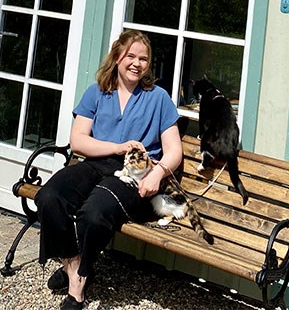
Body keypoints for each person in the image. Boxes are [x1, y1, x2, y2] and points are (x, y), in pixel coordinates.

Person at [35, 29, 182, 310]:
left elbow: (174, 150)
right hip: (96, 163)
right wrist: (117, 146)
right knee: (49, 196)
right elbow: (78, 141)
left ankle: (78, 285)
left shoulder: (158, 97)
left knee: (93, 213)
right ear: (117, 56)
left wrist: (157, 173)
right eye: (131, 56)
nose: (137, 64)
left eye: (144, 59)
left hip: (133, 174)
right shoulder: (97, 92)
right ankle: (72, 261)